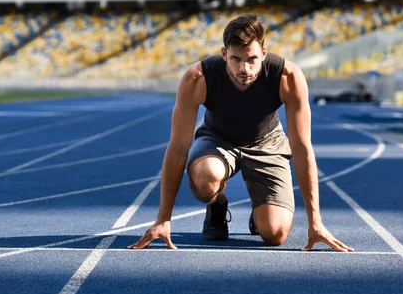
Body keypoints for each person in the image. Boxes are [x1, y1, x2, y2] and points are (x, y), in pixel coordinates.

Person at [128, 14, 353, 252]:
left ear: (264, 53)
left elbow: (302, 147)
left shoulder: (288, 77)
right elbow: (178, 148)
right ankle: (217, 205)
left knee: (274, 234)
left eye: (252, 59)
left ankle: (260, 215)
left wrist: (315, 222)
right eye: (235, 59)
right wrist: (164, 219)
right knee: (205, 179)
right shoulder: (198, 78)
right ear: (224, 54)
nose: (244, 69)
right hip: (217, 138)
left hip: (267, 141)